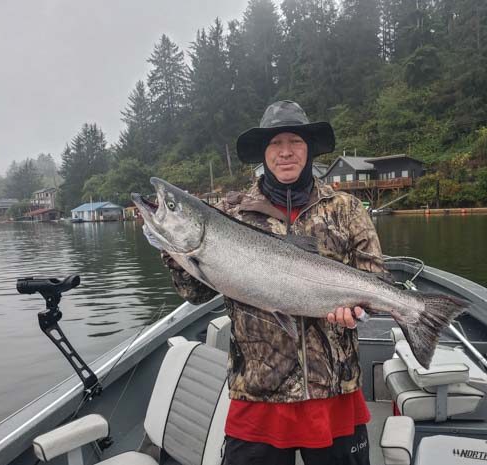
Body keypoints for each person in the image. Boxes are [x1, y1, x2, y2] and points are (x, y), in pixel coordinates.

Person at [162, 100, 390, 465]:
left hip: (333, 392)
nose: (286, 152)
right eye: (275, 144)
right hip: (258, 393)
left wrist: (357, 312)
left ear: (309, 149)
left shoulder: (346, 209)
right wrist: (174, 248)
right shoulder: (231, 217)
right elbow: (196, 291)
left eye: (295, 142)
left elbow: (373, 280)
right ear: (264, 154)